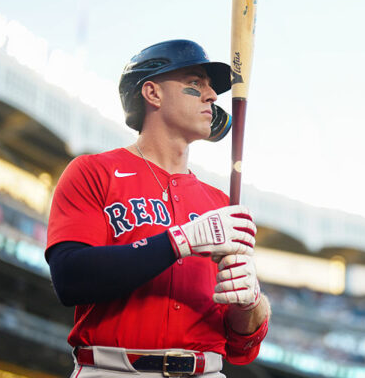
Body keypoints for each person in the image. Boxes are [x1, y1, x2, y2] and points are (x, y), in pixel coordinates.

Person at [45, 40, 270, 378]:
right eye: (195, 83)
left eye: (211, 88)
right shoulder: (94, 171)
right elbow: (70, 278)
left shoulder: (222, 205)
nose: (211, 96)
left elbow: (241, 346)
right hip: (111, 370)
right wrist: (179, 240)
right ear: (152, 93)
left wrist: (251, 303)